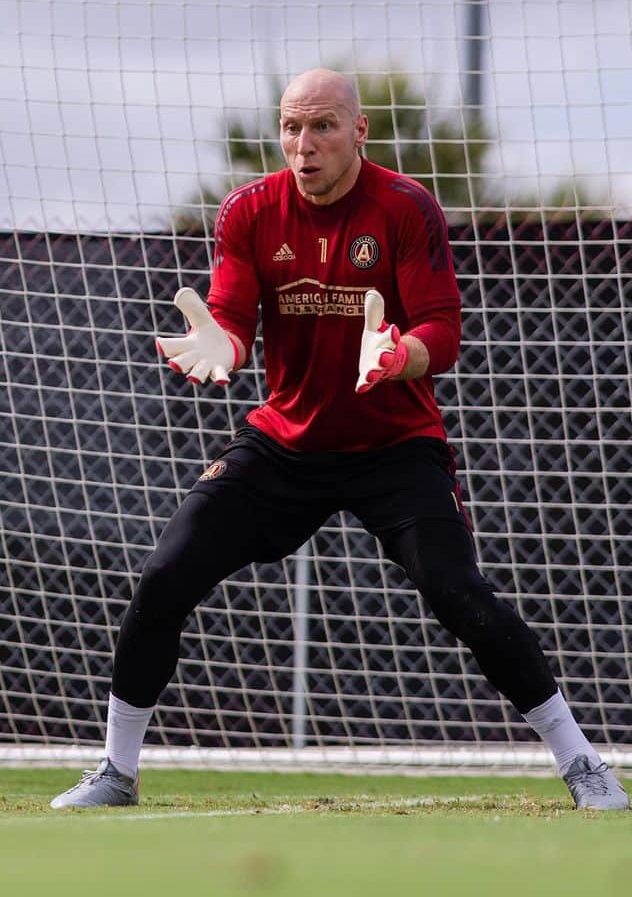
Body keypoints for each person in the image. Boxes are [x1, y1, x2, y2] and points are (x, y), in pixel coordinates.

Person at [51, 68, 627, 812]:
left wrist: (399, 356)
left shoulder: (404, 207)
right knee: (166, 575)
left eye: (322, 126)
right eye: (291, 127)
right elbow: (229, 313)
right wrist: (222, 346)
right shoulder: (249, 210)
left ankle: (583, 765)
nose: (303, 144)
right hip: (284, 445)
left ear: (359, 131)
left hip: (395, 447)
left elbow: (443, 332)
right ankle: (116, 772)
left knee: (460, 594)